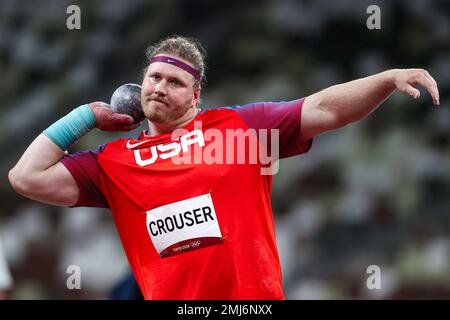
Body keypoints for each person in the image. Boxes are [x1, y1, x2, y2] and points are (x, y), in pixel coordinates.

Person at [8, 36, 440, 300]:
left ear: (196, 96)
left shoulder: (241, 128)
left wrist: (385, 78)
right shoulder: (114, 162)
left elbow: (326, 109)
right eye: (154, 78)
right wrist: (84, 116)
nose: (160, 87)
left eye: (174, 82)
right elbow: (26, 177)